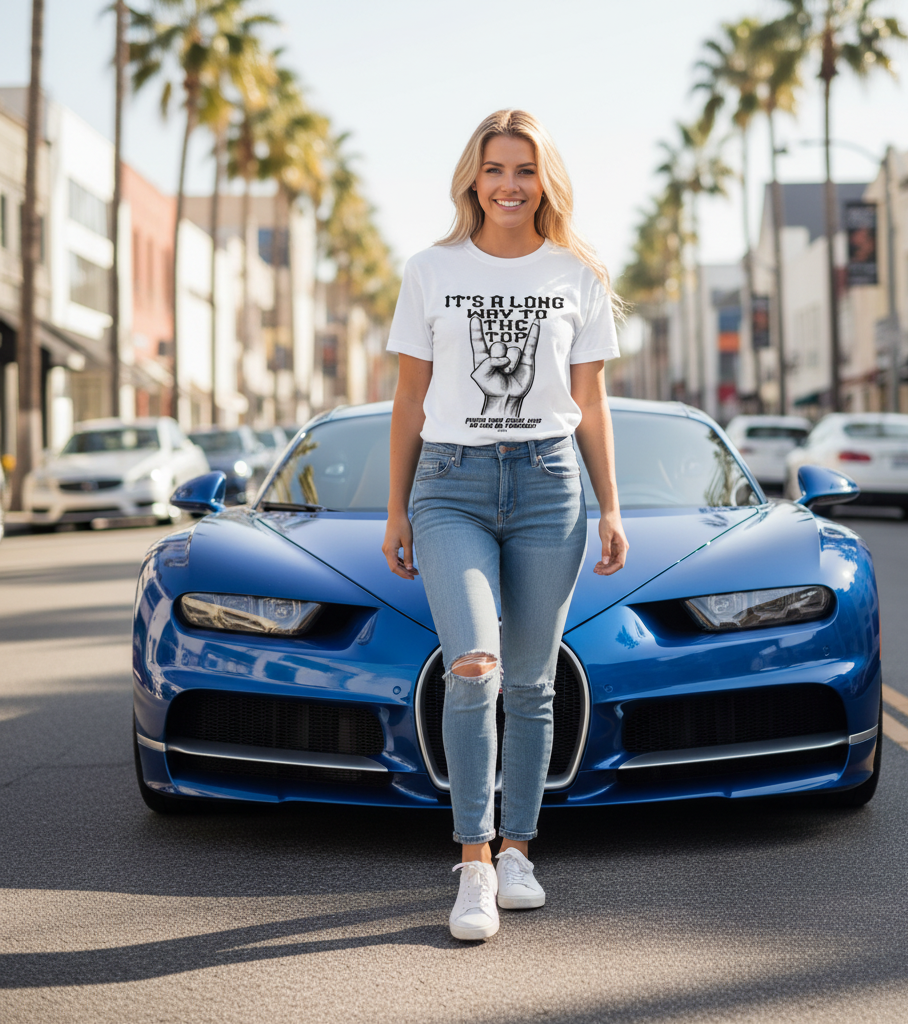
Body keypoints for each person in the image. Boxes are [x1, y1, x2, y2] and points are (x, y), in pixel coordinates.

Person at [382, 109, 628, 941]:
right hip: (448, 485)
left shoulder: (577, 274)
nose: (510, 185)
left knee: (530, 682)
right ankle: (475, 863)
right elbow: (410, 402)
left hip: (550, 483)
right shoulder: (430, 269)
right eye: (495, 168)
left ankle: (520, 849)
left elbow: (590, 404)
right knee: (474, 666)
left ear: (544, 181)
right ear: (472, 179)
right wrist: (395, 508)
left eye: (526, 169)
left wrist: (611, 505)